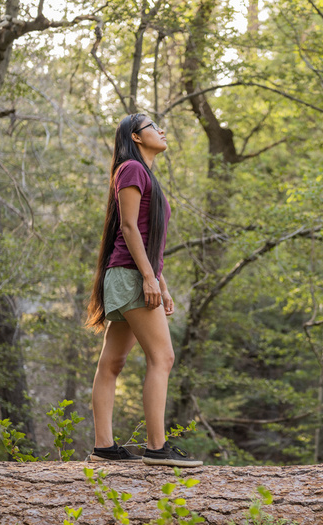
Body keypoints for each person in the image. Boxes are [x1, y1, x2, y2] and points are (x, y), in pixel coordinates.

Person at [85, 113, 202, 467]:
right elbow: (129, 228)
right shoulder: (132, 170)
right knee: (162, 358)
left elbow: (150, 241)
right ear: (135, 137)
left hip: (129, 274)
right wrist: (149, 279)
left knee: (113, 362)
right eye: (154, 126)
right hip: (130, 275)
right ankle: (157, 448)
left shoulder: (143, 173)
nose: (162, 129)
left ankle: (103, 448)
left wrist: (161, 283)